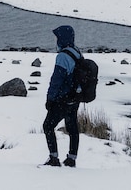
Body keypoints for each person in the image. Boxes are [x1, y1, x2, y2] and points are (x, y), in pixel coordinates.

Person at [42, 25, 81, 168]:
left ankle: (53, 158)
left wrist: (50, 99)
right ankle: (72, 159)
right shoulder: (76, 52)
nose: (56, 40)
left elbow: (56, 81)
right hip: (75, 98)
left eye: (57, 37)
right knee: (72, 128)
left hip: (62, 99)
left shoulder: (63, 56)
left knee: (47, 126)